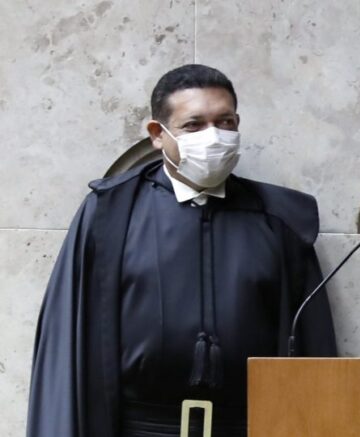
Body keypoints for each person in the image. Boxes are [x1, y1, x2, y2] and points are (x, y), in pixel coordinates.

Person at [27, 64, 337, 437]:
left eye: (225, 122)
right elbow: (67, 343)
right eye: (194, 125)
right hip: (139, 428)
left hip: (248, 426)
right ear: (158, 134)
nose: (214, 136)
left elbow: (313, 352)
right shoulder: (110, 213)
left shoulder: (279, 220)